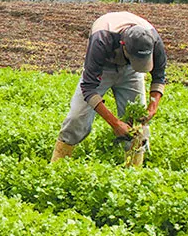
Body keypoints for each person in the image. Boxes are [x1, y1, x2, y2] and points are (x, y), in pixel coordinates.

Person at [52, 11, 167, 166]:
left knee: (138, 125)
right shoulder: (101, 39)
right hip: (103, 69)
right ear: (123, 45)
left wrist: (153, 106)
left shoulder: (152, 40)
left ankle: (134, 172)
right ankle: (57, 166)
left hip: (130, 72)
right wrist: (115, 124)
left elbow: (159, 76)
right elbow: (88, 88)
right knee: (76, 118)